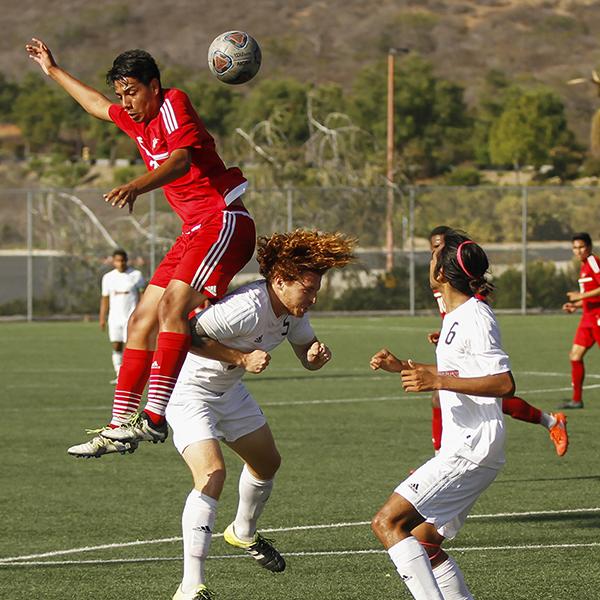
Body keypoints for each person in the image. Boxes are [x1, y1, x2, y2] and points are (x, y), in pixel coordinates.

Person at [26, 39, 256, 456]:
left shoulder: (173, 103)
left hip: (223, 219)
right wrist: (52, 69)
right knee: (140, 321)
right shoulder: (136, 117)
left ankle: (153, 418)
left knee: (172, 309)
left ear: (154, 86)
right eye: (122, 94)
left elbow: (182, 159)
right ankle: (119, 425)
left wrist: (137, 185)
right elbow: (96, 105)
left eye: (132, 91)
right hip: (194, 229)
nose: (126, 103)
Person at [165, 230, 355, 600]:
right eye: (308, 289)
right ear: (280, 281)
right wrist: (240, 358)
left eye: (316, 290)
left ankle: (243, 532)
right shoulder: (246, 306)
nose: (313, 298)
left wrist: (313, 357)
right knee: (212, 474)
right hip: (189, 392)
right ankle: (191, 586)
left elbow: (305, 350)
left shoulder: (292, 311)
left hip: (229, 393)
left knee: (267, 464)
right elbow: (181, 332)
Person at [369, 229, 515, 600]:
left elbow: (503, 383)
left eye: (434, 258)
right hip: (466, 446)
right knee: (424, 542)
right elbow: (454, 375)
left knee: (387, 522)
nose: (429, 262)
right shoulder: (455, 316)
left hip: (470, 448)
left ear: (441, 274)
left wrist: (435, 378)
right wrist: (402, 366)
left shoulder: (475, 316)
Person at [428, 226, 568, 456]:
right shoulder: (442, 284)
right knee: (442, 399)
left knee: (492, 397)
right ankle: (441, 458)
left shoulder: (469, 301)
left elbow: (474, 314)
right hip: (460, 349)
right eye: (434, 248)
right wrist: (446, 337)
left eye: (441, 249)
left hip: (477, 353)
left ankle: (551, 422)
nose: (435, 255)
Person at [561, 232, 600, 409]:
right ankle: (577, 400)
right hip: (587, 318)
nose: (578, 251)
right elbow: (591, 296)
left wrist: (581, 296)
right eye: (575, 248)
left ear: (589, 247)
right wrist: (575, 305)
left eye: (582, 247)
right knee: (575, 356)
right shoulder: (584, 266)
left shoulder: (592, 261)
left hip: (598, 317)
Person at [99, 249, 145, 385]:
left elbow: (143, 295)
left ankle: (130, 375)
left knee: (131, 346)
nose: (121, 263)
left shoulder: (136, 275)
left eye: (123, 260)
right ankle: (119, 374)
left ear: (126, 260)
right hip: (114, 318)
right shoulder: (108, 278)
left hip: (131, 318)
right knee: (116, 345)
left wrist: (143, 313)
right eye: (118, 261)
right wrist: (102, 317)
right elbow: (105, 299)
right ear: (113, 261)